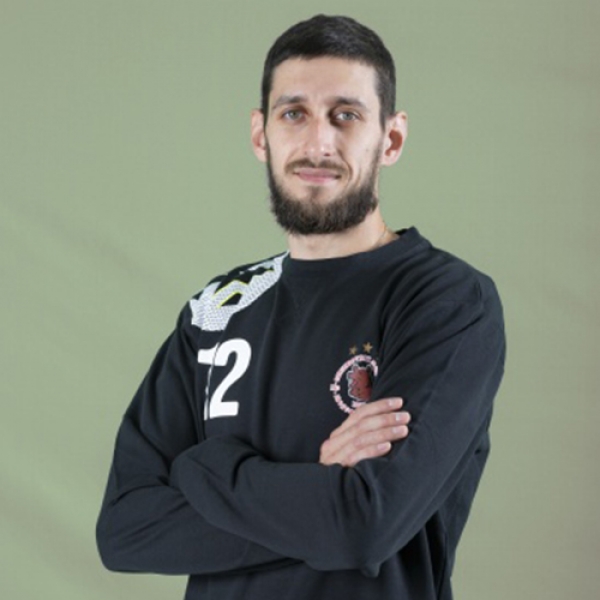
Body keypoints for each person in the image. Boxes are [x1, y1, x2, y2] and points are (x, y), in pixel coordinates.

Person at [96, 14, 506, 600]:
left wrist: (206, 468)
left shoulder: (446, 300)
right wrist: (319, 494)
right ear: (260, 134)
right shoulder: (217, 310)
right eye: (294, 114)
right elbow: (125, 529)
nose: (318, 144)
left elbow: (365, 525)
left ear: (390, 139)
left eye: (346, 115)